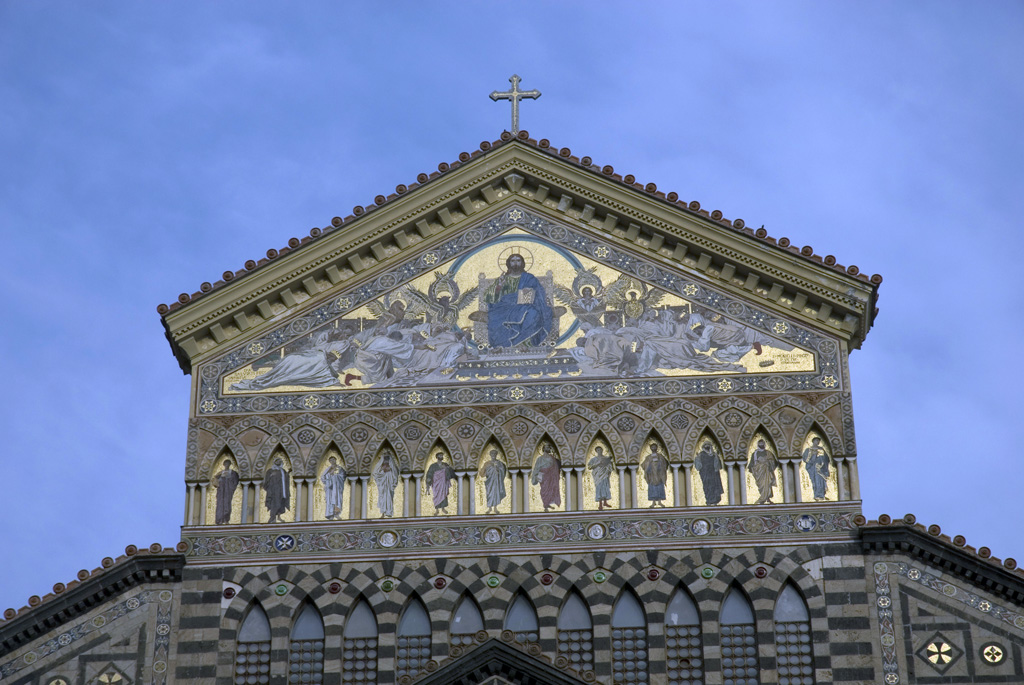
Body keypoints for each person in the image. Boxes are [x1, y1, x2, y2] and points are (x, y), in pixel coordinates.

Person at [482, 253, 553, 348]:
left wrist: (530, 291)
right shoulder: (503, 278)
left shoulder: (529, 278)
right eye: (513, 261)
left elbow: (540, 293)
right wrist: (499, 287)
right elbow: (488, 297)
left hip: (526, 306)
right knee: (494, 317)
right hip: (505, 307)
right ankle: (503, 343)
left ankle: (523, 342)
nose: (515, 263)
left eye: (518, 261)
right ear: (508, 263)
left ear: (522, 263)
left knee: (533, 314)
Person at [530, 443, 562, 511]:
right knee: (544, 490)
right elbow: (536, 468)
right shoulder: (540, 459)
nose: (549, 449)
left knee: (552, 489)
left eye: (549, 448)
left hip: (552, 477)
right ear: (543, 449)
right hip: (544, 477)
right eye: (547, 447)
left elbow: (558, 466)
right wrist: (535, 476)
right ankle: (546, 504)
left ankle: (549, 504)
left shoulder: (553, 458)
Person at [747, 439, 780, 504]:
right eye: (760, 444)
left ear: (764, 445)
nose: (761, 446)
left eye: (762, 444)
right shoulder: (755, 454)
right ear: (758, 445)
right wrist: (756, 467)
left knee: (767, 484)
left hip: (767, 471)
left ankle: (767, 498)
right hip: (759, 472)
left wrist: (768, 463)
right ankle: (763, 498)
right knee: (762, 485)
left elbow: (774, 462)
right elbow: (751, 465)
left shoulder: (768, 453)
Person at [479, 449, 508, 514]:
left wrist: (498, 470)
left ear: (496, 455)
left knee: (496, 493)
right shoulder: (487, 463)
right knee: (489, 494)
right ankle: (489, 508)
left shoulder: (499, 463)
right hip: (489, 482)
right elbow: (482, 473)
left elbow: (503, 470)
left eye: (494, 454)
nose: (493, 456)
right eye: (492, 454)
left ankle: (495, 508)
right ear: (490, 455)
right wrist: (486, 472)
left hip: (497, 482)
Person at [263, 458, 290, 523]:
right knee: (275, 504)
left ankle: (278, 517)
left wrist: (288, 473)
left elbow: (285, 479)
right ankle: (272, 517)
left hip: (282, 491)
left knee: (281, 504)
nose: (279, 462)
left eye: (280, 461)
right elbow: (266, 481)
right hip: (274, 491)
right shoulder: (270, 471)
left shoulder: (283, 471)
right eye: (277, 461)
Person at [373, 451, 399, 518]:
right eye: (385, 458)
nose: (386, 461)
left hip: (389, 485)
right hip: (383, 486)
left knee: (389, 497)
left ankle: (389, 512)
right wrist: (383, 471)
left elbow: (395, 473)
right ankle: (383, 513)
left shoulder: (392, 467)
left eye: (387, 458)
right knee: (383, 497)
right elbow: (375, 473)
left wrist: (389, 470)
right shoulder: (380, 466)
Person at [214, 460, 239, 525]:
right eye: (225, 463)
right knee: (220, 505)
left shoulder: (232, 473)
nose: (226, 465)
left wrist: (229, 481)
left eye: (228, 464)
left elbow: (235, 481)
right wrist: (220, 481)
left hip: (228, 491)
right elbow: (215, 481)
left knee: (227, 504)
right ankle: (219, 520)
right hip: (221, 492)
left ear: (230, 464)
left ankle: (226, 519)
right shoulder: (220, 473)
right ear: (223, 464)